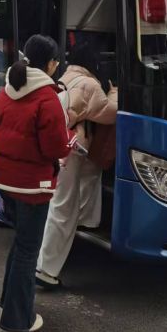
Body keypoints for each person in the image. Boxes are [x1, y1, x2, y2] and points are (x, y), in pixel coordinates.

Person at [0, 34, 70, 332]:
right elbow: (56, 148)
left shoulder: (7, 91)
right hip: (33, 186)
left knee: (19, 242)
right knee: (27, 250)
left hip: (4, 180)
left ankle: (9, 301)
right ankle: (16, 320)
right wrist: (69, 144)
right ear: (49, 64)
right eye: (56, 61)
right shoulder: (48, 98)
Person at [36, 42, 117, 289]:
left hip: (64, 147)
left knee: (85, 181)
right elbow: (109, 112)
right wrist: (115, 92)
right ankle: (45, 269)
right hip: (70, 150)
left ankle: (83, 222)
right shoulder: (90, 84)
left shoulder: (67, 76)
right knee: (63, 208)